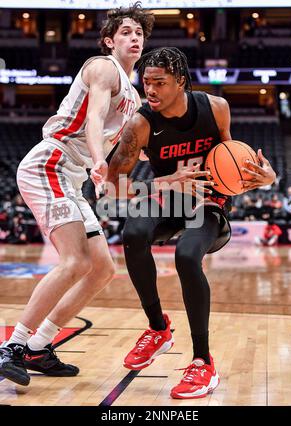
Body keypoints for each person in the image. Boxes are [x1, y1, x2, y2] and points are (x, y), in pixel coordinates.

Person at [106, 47, 276, 399]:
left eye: (159, 82)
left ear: (180, 81)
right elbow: (110, 188)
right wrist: (161, 183)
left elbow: (236, 165)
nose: (149, 89)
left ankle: (203, 362)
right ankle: (158, 329)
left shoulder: (215, 108)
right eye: (145, 82)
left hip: (208, 200)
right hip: (166, 196)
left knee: (186, 256)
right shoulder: (140, 124)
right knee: (133, 232)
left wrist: (266, 178)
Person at [0, 3, 154, 386]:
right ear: (109, 40)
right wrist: (100, 161)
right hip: (49, 164)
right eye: (126, 32)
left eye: (139, 33)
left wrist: (176, 168)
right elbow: (94, 118)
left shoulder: (135, 97)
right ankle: (13, 347)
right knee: (73, 261)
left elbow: (132, 149)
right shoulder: (103, 68)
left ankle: (39, 345)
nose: (134, 38)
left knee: (102, 268)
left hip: (70, 176)